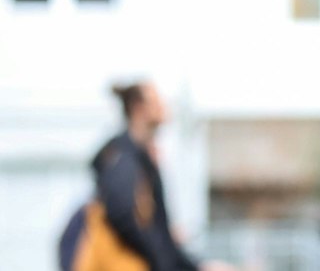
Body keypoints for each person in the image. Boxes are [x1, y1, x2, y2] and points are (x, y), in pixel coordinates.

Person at [75, 81, 235, 271]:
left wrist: (195, 265)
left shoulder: (137, 159)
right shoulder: (124, 159)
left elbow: (157, 231)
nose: (164, 106)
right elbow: (124, 216)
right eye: (157, 100)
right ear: (139, 108)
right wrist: (159, 256)